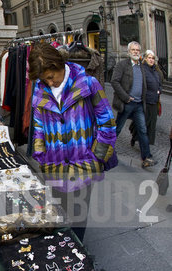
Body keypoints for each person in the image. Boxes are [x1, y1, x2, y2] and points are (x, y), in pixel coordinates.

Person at [29, 43, 116, 242]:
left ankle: (77, 253)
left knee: (78, 214)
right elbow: (38, 125)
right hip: (54, 163)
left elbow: (107, 121)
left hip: (83, 162)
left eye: (51, 77)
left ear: (60, 65)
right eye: (45, 79)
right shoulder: (40, 90)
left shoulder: (88, 83)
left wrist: (98, 156)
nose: (49, 83)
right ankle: (63, 249)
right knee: (59, 209)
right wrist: (41, 154)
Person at [111, 41, 155, 168]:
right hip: (127, 103)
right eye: (133, 50)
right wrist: (125, 97)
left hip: (139, 104)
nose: (135, 52)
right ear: (129, 51)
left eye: (137, 50)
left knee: (142, 130)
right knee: (117, 128)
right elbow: (114, 81)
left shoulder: (141, 66)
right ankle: (106, 151)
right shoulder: (122, 65)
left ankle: (147, 157)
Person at [130, 50, 163, 147]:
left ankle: (146, 144)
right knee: (142, 123)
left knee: (151, 124)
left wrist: (159, 90)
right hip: (144, 102)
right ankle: (135, 137)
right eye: (149, 58)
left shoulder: (156, 71)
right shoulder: (142, 69)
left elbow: (160, 84)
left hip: (154, 101)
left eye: (153, 58)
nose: (151, 60)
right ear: (145, 59)